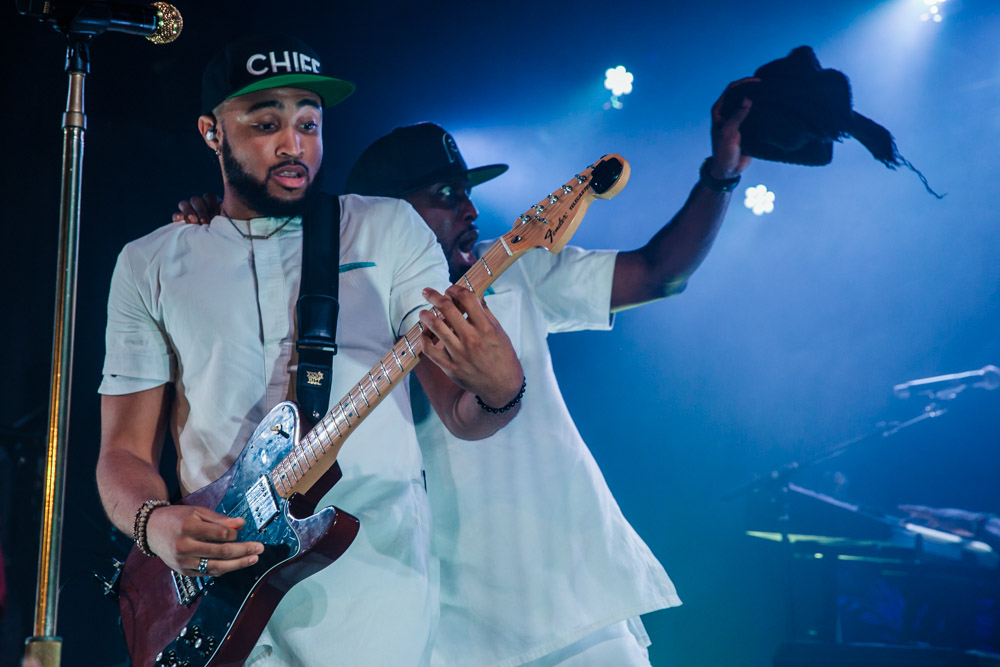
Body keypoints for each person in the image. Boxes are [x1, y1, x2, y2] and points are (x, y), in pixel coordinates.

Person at [176, 81, 753, 665]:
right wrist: (212, 223)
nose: (470, 209)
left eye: (467, 192)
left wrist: (722, 172)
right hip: (439, 632)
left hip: (572, 607)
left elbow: (658, 273)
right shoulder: (340, 310)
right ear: (387, 212)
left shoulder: (513, 276)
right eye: (447, 193)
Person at [97, 34, 525, 666]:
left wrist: (500, 390)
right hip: (212, 595)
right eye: (266, 123)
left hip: (369, 587)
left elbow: (464, 413)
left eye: (308, 123)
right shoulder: (150, 261)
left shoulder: (385, 226)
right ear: (212, 133)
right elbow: (122, 452)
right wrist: (153, 523)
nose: (293, 145)